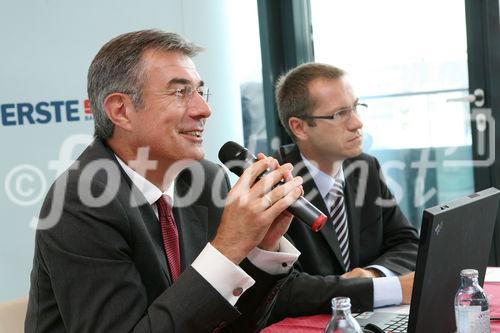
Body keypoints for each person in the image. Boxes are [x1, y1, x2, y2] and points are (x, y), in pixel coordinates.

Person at [24, 29, 305, 332]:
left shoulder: (206, 179)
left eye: (200, 91)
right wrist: (227, 247)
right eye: (180, 92)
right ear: (121, 110)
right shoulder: (80, 200)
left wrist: (262, 246)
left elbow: (233, 324)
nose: (204, 109)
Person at [270, 62, 419, 319]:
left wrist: (372, 274)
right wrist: (385, 288)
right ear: (299, 127)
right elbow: (289, 290)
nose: (357, 123)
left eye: (356, 107)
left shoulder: (365, 168)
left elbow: (408, 243)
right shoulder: (275, 185)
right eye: (340, 114)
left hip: (367, 319)